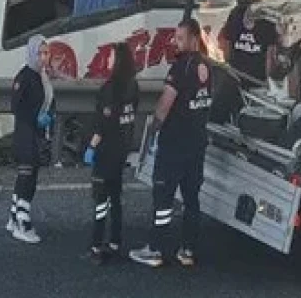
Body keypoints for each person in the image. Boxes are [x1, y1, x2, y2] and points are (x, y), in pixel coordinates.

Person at [130, 18, 212, 269]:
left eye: (180, 38)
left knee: (163, 197)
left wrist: (154, 128)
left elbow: (166, 103)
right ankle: (188, 250)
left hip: (175, 143)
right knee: (191, 198)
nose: (176, 42)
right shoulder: (207, 67)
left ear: (194, 39)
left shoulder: (179, 68)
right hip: (197, 142)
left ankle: (155, 249)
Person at [86, 42, 139, 264]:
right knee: (116, 198)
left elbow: (103, 123)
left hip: (106, 151)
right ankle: (116, 241)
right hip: (122, 149)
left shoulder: (109, 89)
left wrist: (91, 147)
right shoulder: (133, 86)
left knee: (100, 198)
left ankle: (97, 245)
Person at [211, 0, 278, 122]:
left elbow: (269, 55)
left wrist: (266, 82)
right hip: (239, 76)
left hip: (251, 79)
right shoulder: (238, 15)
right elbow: (227, 45)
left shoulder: (267, 20)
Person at [7, 35, 53, 244]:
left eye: (46, 53)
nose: (44, 57)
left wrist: (46, 117)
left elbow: (49, 102)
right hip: (26, 135)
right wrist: (36, 116)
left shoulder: (42, 77)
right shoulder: (25, 77)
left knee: (28, 177)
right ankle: (22, 224)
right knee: (27, 179)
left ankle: (14, 217)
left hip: (36, 135)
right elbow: (16, 106)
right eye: (40, 53)